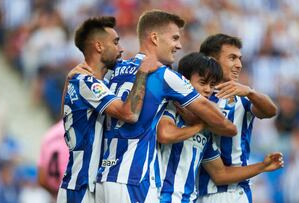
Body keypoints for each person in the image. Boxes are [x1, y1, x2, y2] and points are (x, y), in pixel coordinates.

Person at [95, 10, 237, 203]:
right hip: (134, 179)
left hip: (104, 177)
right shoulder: (164, 76)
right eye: (175, 38)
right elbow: (225, 125)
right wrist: (203, 124)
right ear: (154, 38)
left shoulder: (116, 70)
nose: (179, 45)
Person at [57, 16, 159, 203]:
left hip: (86, 185)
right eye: (115, 42)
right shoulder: (86, 82)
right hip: (81, 188)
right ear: (99, 46)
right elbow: (129, 113)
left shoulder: (81, 81)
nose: (120, 49)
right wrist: (143, 72)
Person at [157, 52, 283, 203]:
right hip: (157, 196)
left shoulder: (206, 128)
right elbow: (164, 134)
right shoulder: (170, 106)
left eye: (211, 85)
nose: (208, 90)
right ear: (184, 81)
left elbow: (220, 174)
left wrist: (263, 166)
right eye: (202, 83)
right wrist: (202, 125)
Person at [197, 34, 278, 203]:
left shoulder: (243, 98)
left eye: (240, 59)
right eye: (232, 58)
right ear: (212, 60)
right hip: (196, 193)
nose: (239, 65)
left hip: (232, 193)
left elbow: (270, 111)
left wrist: (250, 92)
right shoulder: (195, 97)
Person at [37, 120, 69, 199]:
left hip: (53, 192)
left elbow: (41, 177)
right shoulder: (77, 131)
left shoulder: (49, 134)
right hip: (72, 192)